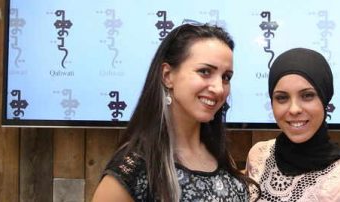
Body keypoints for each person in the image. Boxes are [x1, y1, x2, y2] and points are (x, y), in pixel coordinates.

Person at [92, 23, 255, 202]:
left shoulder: (220, 156)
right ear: (167, 75)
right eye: (205, 71)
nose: (219, 88)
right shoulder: (134, 169)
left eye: (226, 77)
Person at [245, 47, 340, 201]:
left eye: (307, 95)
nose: (294, 109)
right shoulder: (258, 156)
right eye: (282, 98)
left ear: (324, 99)